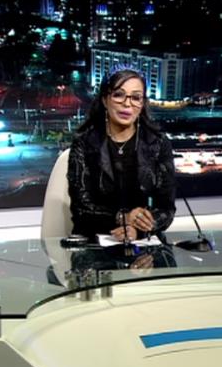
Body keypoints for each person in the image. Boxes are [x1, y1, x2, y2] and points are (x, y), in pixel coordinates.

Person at [67, 64, 176, 242]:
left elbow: (166, 208)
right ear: (105, 99)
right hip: (94, 242)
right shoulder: (84, 143)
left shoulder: (158, 143)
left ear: (142, 104)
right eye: (119, 95)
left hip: (143, 241)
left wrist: (139, 229)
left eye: (136, 97)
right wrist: (123, 218)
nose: (127, 103)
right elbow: (81, 208)